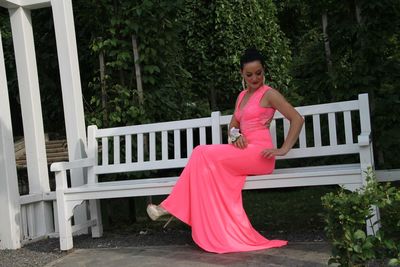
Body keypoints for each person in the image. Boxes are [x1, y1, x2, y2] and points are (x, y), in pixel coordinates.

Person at [146, 48, 304, 254]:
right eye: (249, 74)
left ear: (264, 71)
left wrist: (283, 149)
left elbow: (297, 119)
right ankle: (176, 209)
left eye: (259, 73)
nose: (255, 78)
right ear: (242, 74)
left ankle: (171, 208)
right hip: (243, 151)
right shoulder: (241, 96)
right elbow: (232, 127)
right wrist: (237, 136)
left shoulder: (270, 94)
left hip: (260, 154)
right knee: (204, 163)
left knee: (201, 152)